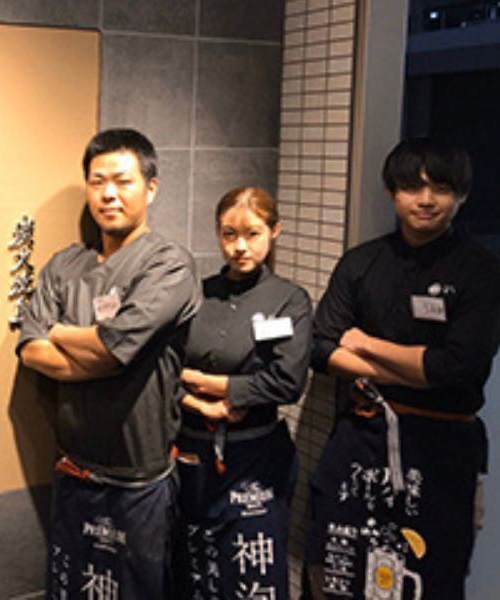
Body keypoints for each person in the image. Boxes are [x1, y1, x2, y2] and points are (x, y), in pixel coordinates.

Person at [304, 139, 500, 599]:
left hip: (444, 446)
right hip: (362, 436)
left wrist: (365, 345)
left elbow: (456, 369)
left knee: (430, 577)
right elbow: (320, 348)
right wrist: (409, 369)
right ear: (391, 192)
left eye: (440, 188)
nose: (426, 200)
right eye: (412, 188)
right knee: (338, 568)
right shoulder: (362, 262)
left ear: (461, 194)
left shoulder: (485, 272)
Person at [16, 128, 200, 598]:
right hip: (73, 470)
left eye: (123, 181)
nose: (109, 194)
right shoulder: (65, 265)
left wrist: (61, 332)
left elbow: (112, 348)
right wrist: (102, 353)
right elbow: (31, 347)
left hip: (139, 480)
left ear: (150, 188)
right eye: (97, 182)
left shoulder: (168, 264)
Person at [170, 187, 311, 599]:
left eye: (252, 234)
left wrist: (212, 385)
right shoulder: (197, 294)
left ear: (274, 231)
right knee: (194, 568)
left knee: (254, 571)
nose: (240, 247)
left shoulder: (289, 299)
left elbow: (288, 381)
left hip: (257, 456)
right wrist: (198, 403)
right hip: (192, 451)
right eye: (229, 234)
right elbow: (162, 369)